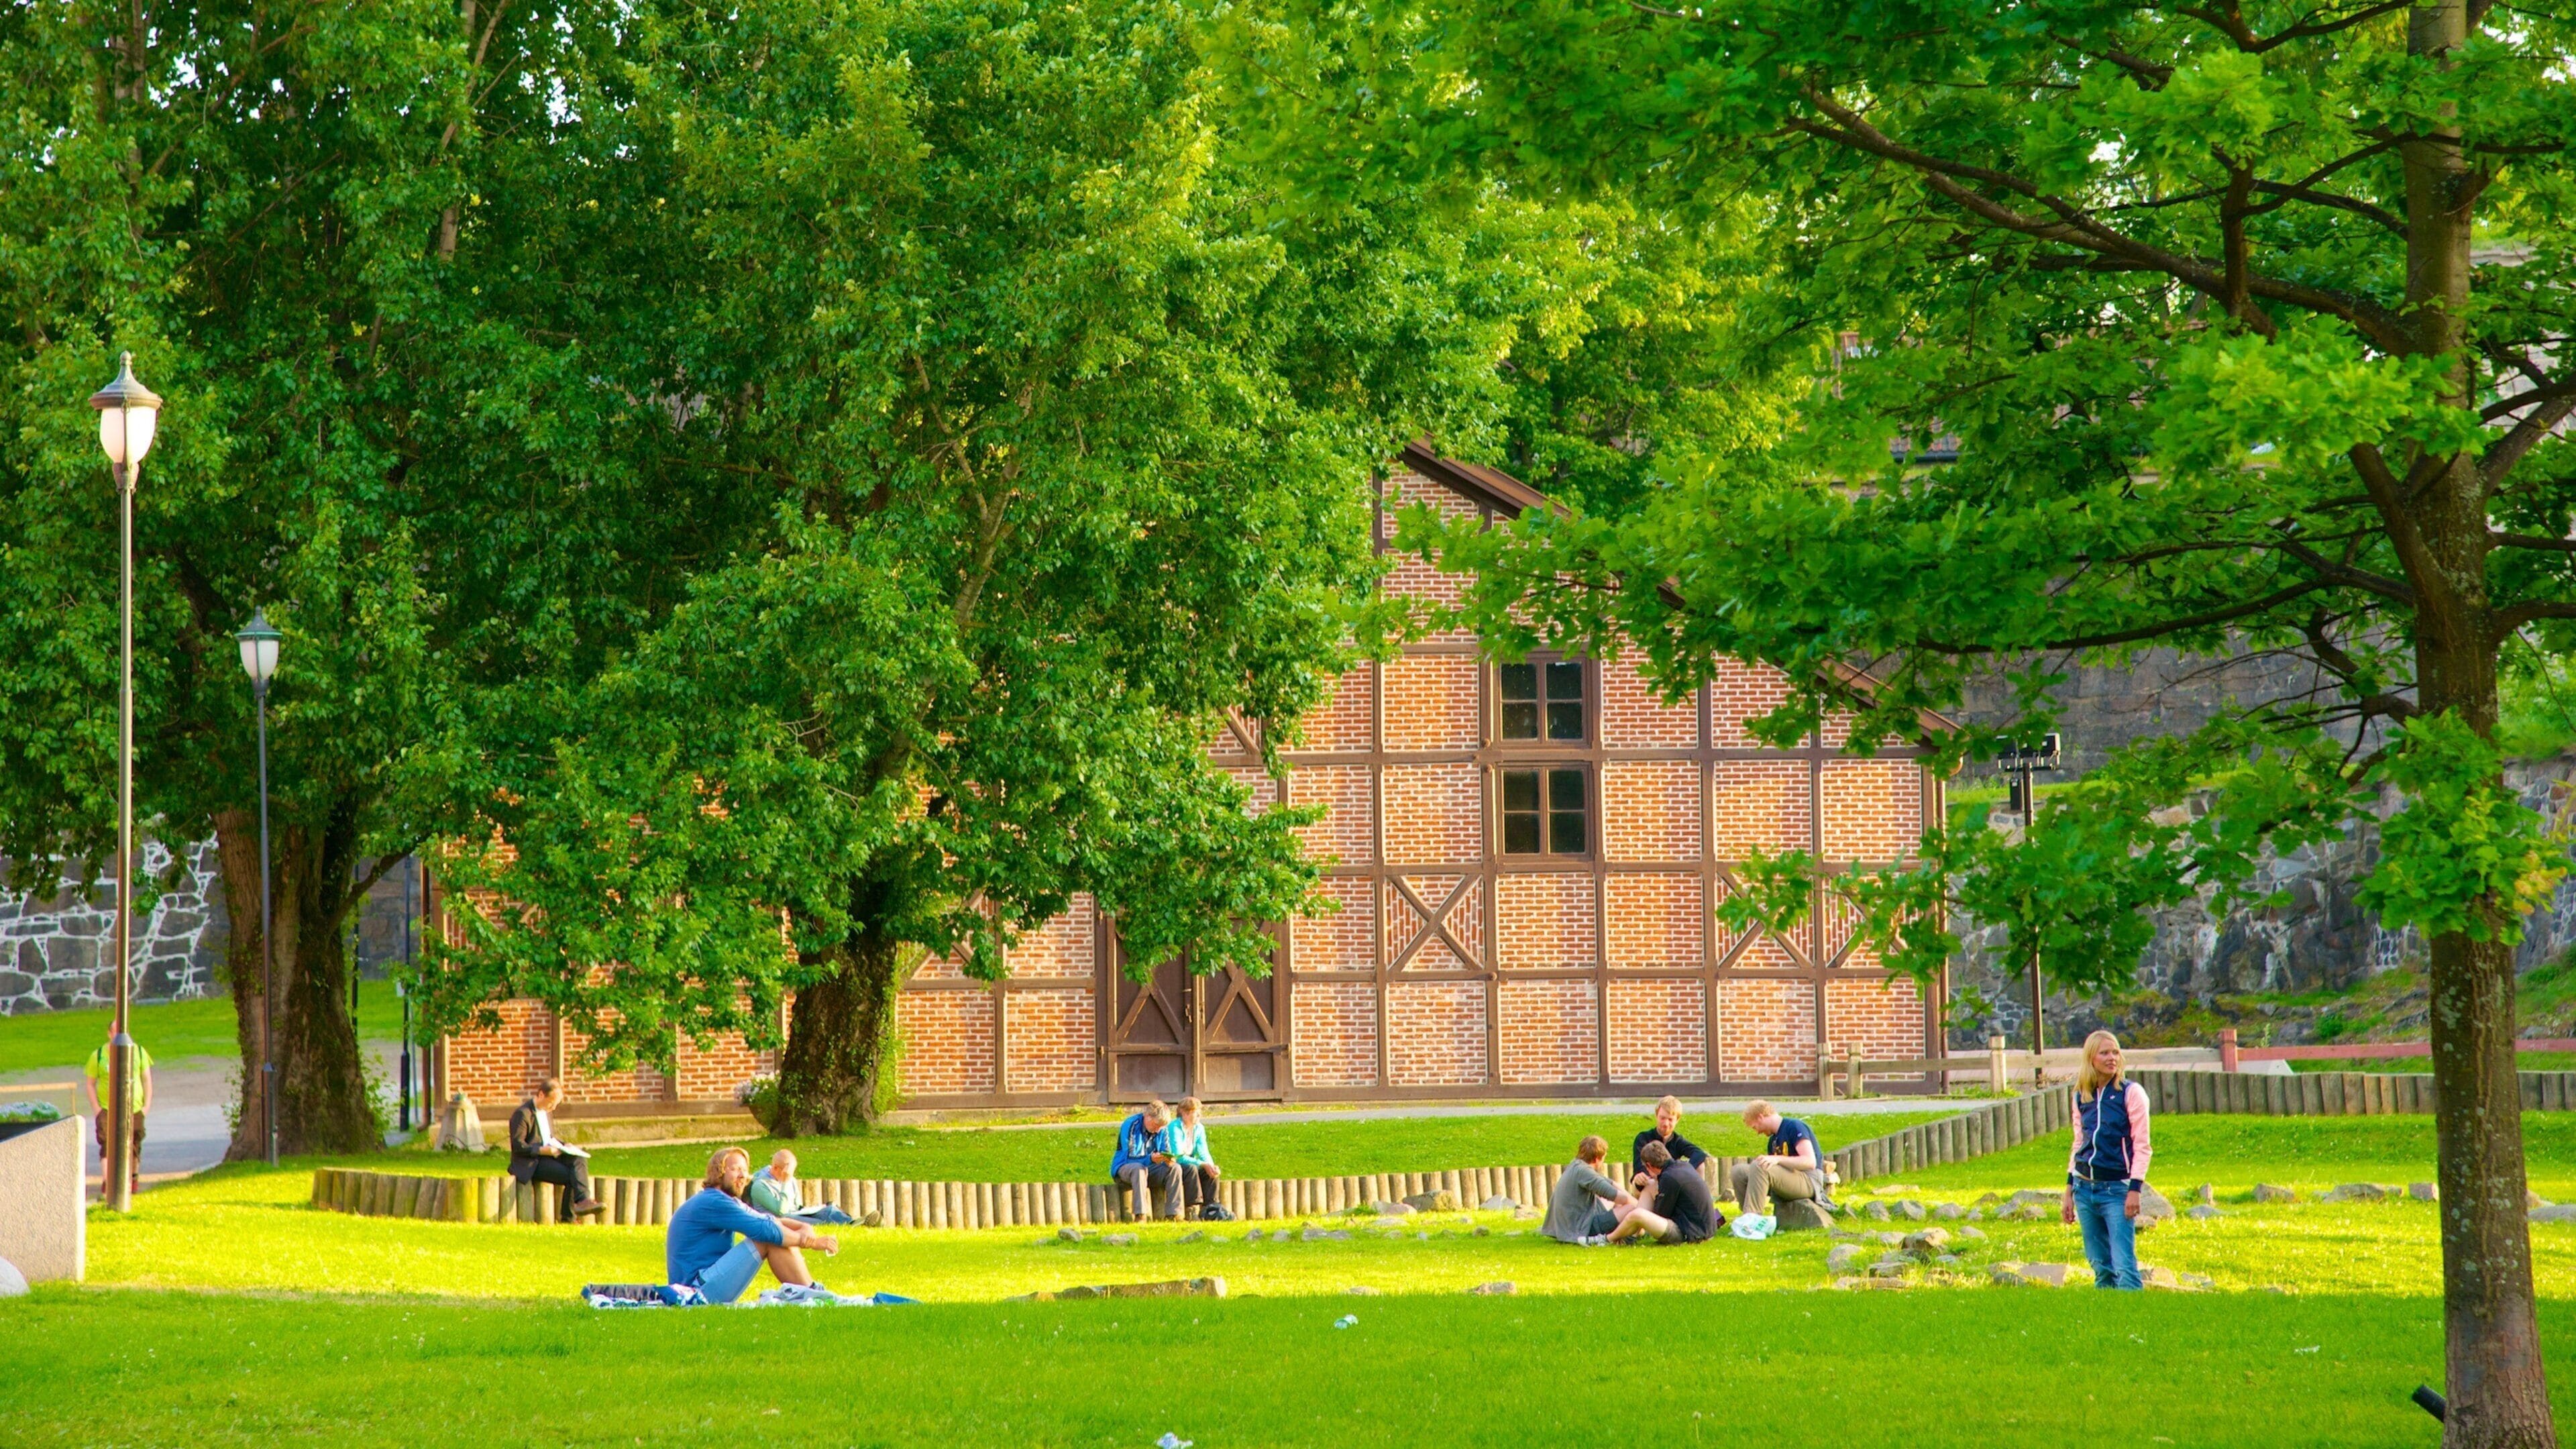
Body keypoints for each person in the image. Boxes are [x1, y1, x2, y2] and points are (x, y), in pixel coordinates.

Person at [667, 1146, 840, 1303]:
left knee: (773, 1233)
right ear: (718, 1173)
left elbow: (766, 1219)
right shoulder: (714, 1201)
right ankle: (814, 1296)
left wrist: (802, 1227)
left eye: (745, 1170)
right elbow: (764, 1229)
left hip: (705, 1284)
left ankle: (812, 1293)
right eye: (735, 1169)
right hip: (694, 1292)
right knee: (767, 1238)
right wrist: (809, 1242)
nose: (742, 1176)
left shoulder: (725, 1200)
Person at [2063, 1030, 2152, 1290]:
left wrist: (2135, 1189)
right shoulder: (2081, 1095)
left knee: (2124, 1266)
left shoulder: (2131, 1093)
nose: (2112, 1058)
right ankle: (2107, 1319)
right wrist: (2069, 1189)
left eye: (2115, 1052)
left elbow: (2142, 1146)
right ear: (2091, 1058)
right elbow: (2079, 1142)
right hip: (2084, 1188)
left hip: (2117, 1190)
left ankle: (2134, 1319)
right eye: (2104, 1053)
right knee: (2100, 1265)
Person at [508, 1077, 602, 1218]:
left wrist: (564, 1145)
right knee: (572, 1175)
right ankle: (569, 1217)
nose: (553, 1108)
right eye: (551, 1103)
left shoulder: (546, 1113)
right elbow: (518, 1146)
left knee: (579, 1159)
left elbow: (548, 1138)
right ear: (541, 1095)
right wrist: (541, 1150)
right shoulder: (523, 1114)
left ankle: (583, 1201)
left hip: (549, 1156)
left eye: (556, 1105)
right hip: (532, 1163)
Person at [81, 1021, 154, 1195]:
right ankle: (108, 1182)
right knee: (107, 1143)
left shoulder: (139, 1052)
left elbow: (147, 1080)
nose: (119, 1034)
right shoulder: (98, 1055)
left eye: (123, 1031)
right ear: (109, 1034)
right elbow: (90, 1083)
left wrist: (146, 1107)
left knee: (134, 1143)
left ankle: (132, 1179)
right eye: (116, 1031)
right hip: (107, 1108)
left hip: (134, 1107)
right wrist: (97, 1109)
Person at [1607, 1140, 1717, 1244]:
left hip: (1692, 1234)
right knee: (1649, 1185)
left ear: (1649, 1166)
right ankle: (1633, 1235)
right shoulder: (1683, 1166)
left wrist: (1658, 1195)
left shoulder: (1669, 1178)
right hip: (1702, 1229)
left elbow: (1661, 1214)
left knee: (1637, 1215)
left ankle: (1607, 1239)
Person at [1731, 1100, 1826, 1215]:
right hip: (1789, 1180)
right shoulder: (1773, 1140)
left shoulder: (1794, 1127)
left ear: (1760, 1117)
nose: (1757, 1132)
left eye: (1755, 1127)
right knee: (1739, 1171)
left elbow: (1810, 1162)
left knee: (1760, 1166)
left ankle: (1753, 1219)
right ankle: (1746, 1215)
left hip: (1809, 1180)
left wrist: (1777, 1159)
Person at [1542, 1134, 1629, 1245]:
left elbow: (1609, 1183)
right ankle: (1621, 1238)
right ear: (1597, 1159)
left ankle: (1629, 1232)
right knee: (1629, 1208)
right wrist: (1641, 1209)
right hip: (1580, 1230)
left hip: (1568, 1228)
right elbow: (1621, 1198)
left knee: (1617, 1202)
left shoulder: (1576, 1165)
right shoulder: (1585, 1172)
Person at [1111, 1098, 1181, 1220]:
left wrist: (1168, 1159)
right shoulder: (1131, 1125)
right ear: (1148, 1117)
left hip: (1151, 1169)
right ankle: (1140, 1215)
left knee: (1175, 1168)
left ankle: (1174, 1214)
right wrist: (1150, 1159)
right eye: (1156, 1125)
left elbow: (1166, 1151)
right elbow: (1130, 1158)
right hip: (1125, 1168)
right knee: (1139, 1169)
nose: (1158, 1130)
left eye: (1161, 1127)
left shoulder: (1162, 1130)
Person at [743, 1148, 855, 1225]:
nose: (790, 1175)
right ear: (776, 1168)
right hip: (777, 1220)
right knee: (822, 1221)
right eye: (787, 1172)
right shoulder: (760, 1185)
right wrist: (785, 1182)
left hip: (795, 1214)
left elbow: (798, 1206)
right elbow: (781, 1211)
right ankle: (852, 1224)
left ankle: (853, 1222)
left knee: (829, 1210)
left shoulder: (790, 1179)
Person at [1167, 1097, 1224, 1219]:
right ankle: (1192, 1209)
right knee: (1191, 1169)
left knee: (1209, 1172)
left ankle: (1211, 1208)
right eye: (1195, 1112)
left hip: (1191, 1162)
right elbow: (1178, 1156)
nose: (1199, 1115)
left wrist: (1211, 1166)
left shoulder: (1199, 1128)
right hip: (1175, 1165)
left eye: (1199, 1112)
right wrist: (1202, 1164)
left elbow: (1203, 1152)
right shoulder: (1174, 1127)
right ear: (1185, 1114)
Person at [1630, 1095, 1709, 1181]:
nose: (1666, 1124)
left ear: (1677, 1120)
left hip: (1670, 1182)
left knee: (1700, 1166)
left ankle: (1696, 1194)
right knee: (1638, 1180)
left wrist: (1684, 1171)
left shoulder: (1677, 1141)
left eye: (1670, 1120)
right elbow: (1639, 1167)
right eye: (1662, 1118)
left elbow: (1699, 1154)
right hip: (1648, 1181)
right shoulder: (1643, 1138)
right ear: (1657, 1116)